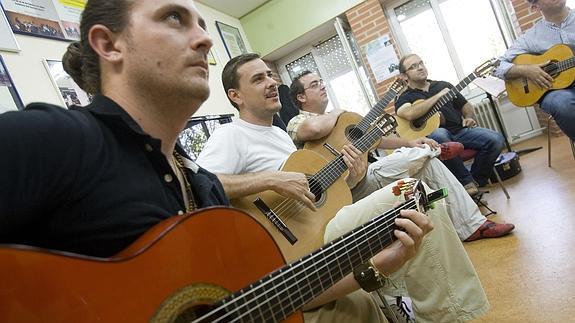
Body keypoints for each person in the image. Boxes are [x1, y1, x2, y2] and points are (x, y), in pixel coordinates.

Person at [0, 1, 432, 321]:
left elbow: (264, 297)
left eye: (203, 25)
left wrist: (373, 268)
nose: (205, 39)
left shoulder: (197, 184)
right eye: (174, 18)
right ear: (108, 44)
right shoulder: (59, 140)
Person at [197, 53, 490, 322]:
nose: (271, 83)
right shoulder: (230, 134)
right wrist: (270, 179)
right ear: (235, 96)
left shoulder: (277, 134)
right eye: (258, 79)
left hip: (316, 229)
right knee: (411, 192)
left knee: (419, 198)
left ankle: (435, 311)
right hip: (287, 249)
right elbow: (200, 186)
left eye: (270, 76)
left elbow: (316, 195)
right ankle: (451, 315)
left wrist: (353, 175)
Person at [287, 70, 515, 242]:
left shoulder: (336, 118)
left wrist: (410, 141)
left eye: (321, 82)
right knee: (421, 156)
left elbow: (374, 139)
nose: (322, 87)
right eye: (314, 85)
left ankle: (471, 226)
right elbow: (314, 130)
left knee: (427, 163)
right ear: (301, 98)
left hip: (365, 172)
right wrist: (339, 113)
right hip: (345, 190)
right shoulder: (297, 122)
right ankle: (435, 149)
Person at [395, 54, 506, 191]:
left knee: (496, 140)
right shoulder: (405, 97)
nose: (420, 68)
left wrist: (468, 116)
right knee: (439, 133)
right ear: (405, 76)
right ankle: (466, 183)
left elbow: (465, 105)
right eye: (414, 66)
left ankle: (475, 182)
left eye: (421, 63)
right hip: (433, 140)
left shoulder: (443, 85)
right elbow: (408, 113)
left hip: (461, 131)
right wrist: (439, 96)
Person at [493, 0, 575, 141]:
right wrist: (526, 70)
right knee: (562, 103)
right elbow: (497, 67)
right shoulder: (530, 37)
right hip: (558, 92)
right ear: (535, 6)